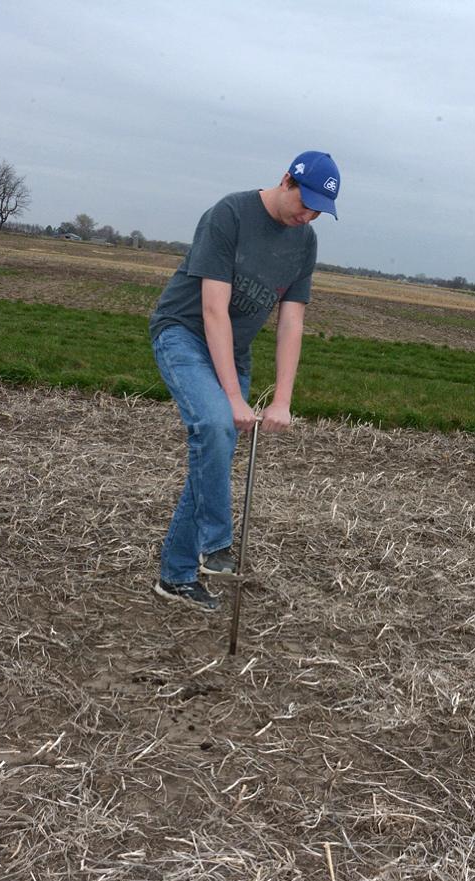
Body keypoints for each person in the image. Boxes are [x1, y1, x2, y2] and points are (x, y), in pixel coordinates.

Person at [149, 150, 341, 611]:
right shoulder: (230, 214)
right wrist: (233, 397)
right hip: (185, 334)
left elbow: (291, 322)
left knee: (213, 460)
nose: (308, 214)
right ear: (286, 181)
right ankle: (216, 547)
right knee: (215, 426)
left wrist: (283, 400)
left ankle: (175, 577)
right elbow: (214, 308)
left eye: (318, 209)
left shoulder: (305, 241)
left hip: (233, 352)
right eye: (305, 202)